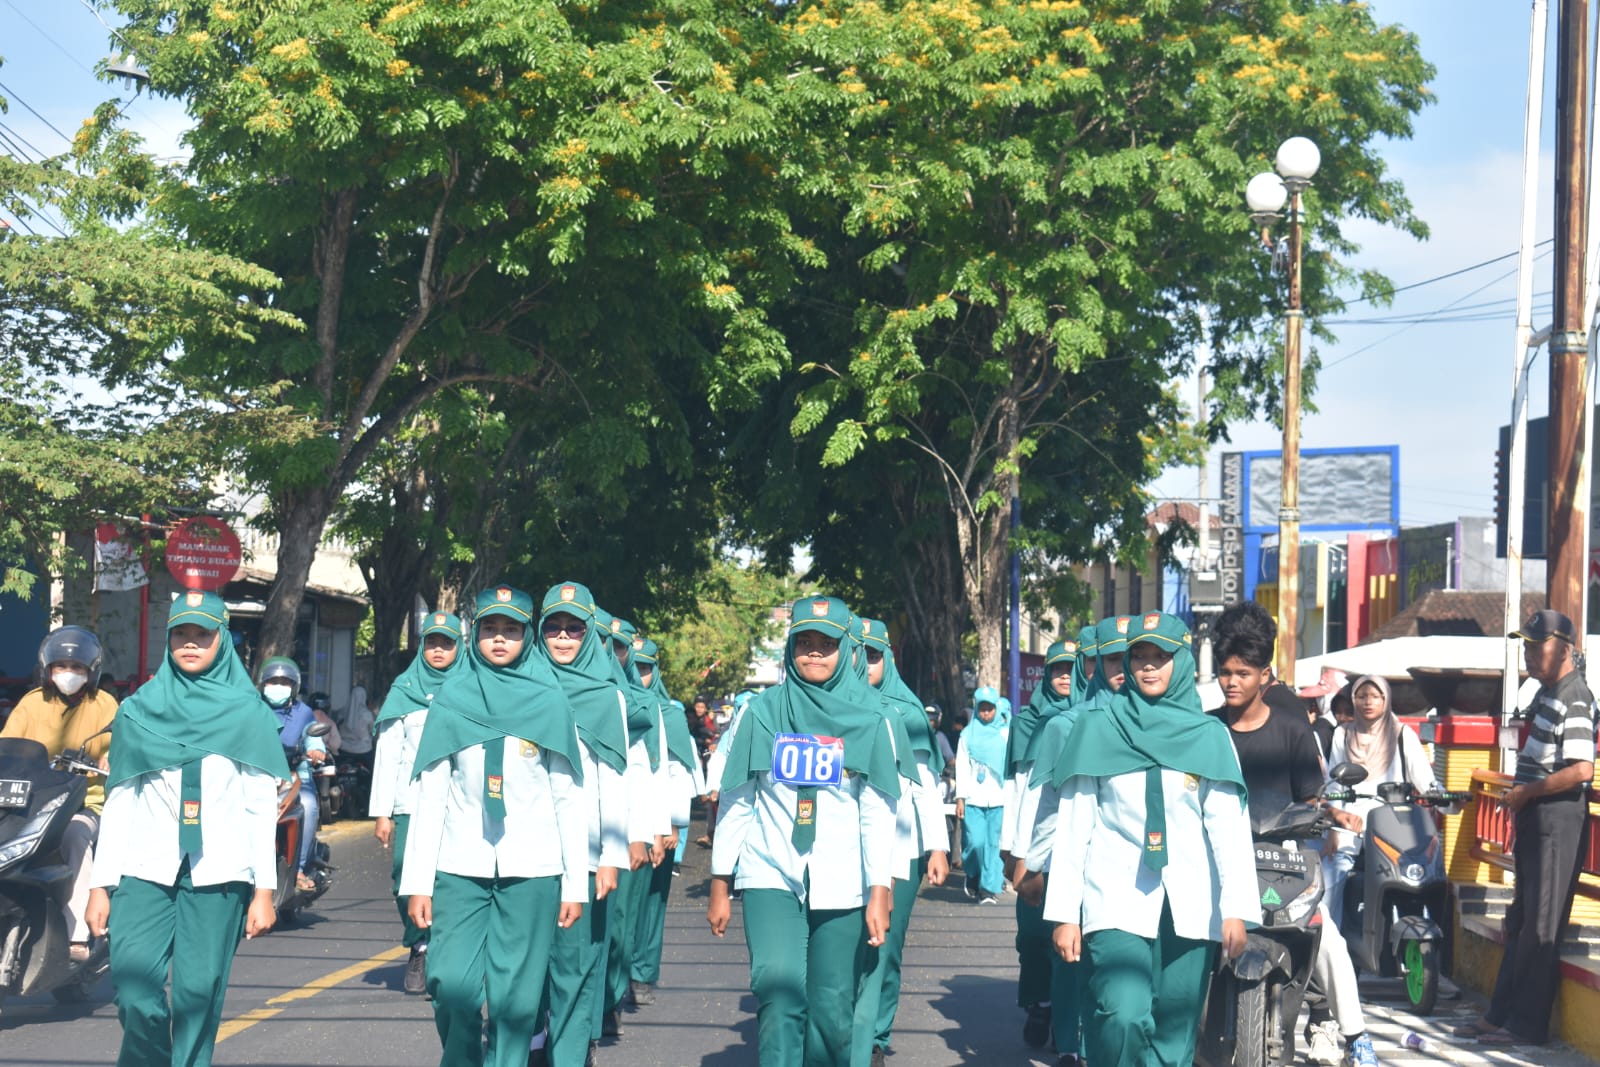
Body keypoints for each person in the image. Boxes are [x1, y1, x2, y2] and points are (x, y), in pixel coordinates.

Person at [1044, 611, 1257, 1067]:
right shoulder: (1097, 728)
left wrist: (1237, 908)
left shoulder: (1209, 736)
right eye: (1139, 655)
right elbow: (1075, 823)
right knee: (1122, 1015)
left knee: (1174, 1033)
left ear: (1180, 662)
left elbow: (1228, 828)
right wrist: (1064, 913)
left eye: (1161, 656)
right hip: (1114, 897)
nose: (1147, 665)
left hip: (1192, 904)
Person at [85, 590, 287, 1067]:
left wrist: (264, 890)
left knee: (198, 997)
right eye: (182, 634)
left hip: (220, 875)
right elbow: (120, 802)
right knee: (135, 992)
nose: (191, 644)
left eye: (203, 635)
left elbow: (261, 807)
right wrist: (100, 884)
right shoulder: (137, 710)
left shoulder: (249, 713)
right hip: (143, 871)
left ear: (223, 641)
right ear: (168, 640)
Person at [708, 595, 901, 1067]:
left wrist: (880, 887)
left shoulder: (872, 720)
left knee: (833, 1011)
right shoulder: (760, 712)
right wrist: (720, 880)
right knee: (777, 990)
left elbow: (877, 811)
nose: (814, 653)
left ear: (846, 652)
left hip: (843, 883)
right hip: (770, 873)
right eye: (804, 643)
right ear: (790, 648)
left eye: (826, 644)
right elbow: (738, 799)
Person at [400, 585, 589, 1067]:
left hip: (533, 870)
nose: (499, 639)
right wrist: (418, 882)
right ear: (474, 636)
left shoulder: (549, 701)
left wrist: (574, 885)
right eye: (489, 629)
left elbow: (568, 798)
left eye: (510, 629)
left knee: (516, 1003)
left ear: (527, 636)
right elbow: (431, 798)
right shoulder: (451, 700)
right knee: (452, 987)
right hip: (460, 866)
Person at [1209, 600, 1375, 1067]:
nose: (1233, 681)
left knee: (1330, 940)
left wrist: (1330, 816)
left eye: (1243, 672)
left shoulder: (1292, 730)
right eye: (1226, 672)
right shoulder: (1207, 731)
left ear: (1266, 675)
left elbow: (1312, 796)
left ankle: (1356, 1036)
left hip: (1280, 859)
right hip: (1217, 861)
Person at [1455, 609, 1596, 1046]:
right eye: (1528, 646)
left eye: (1538, 646)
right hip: (1538, 819)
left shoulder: (1575, 696)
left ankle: (1527, 1025)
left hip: (1557, 819)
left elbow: (1581, 770)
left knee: (1541, 927)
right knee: (1519, 920)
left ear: (1565, 650)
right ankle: (1500, 1015)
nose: (1529, 654)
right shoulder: (1549, 692)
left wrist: (1528, 793)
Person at [534, 582, 632, 1067]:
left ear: (590, 633)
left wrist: (611, 857)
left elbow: (613, 779)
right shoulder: (522, 684)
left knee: (573, 965)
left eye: (575, 628)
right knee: (528, 965)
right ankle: (532, 1045)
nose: (564, 637)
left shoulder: (606, 695)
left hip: (587, 852)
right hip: (525, 851)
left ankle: (570, 1054)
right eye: (554, 627)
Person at [855, 617, 950, 1067]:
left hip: (900, 848)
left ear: (887, 658)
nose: (864, 664)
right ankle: (843, 1026)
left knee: (885, 944)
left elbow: (925, 785)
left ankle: (874, 1034)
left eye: (872, 656)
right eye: (857, 653)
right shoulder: (831, 705)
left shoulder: (909, 713)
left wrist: (937, 846)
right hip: (845, 844)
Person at [2, 626, 118, 962]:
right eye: (61, 667)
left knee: (73, 836)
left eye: (77, 668)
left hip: (86, 803)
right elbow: (8, 746)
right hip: (33, 802)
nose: (68, 674)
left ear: (91, 672)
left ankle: (77, 935)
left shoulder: (105, 705)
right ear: (47, 670)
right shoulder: (31, 703)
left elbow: (121, 748)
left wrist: (109, 759)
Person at [1000, 633, 1085, 1061]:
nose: (1064, 677)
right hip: (1028, 843)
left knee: (1068, 946)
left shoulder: (1092, 720)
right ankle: (1039, 1003)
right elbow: (1017, 789)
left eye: (1072, 668)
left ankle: (1069, 1037)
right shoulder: (1026, 724)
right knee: (1032, 937)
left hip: (1071, 847)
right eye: (1057, 669)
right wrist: (1012, 852)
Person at [370, 611, 464, 994]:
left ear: (460, 647)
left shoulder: (472, 688)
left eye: (447, 642)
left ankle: (446, 950)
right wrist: (382, 812)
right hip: (411, 801)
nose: (438, 650)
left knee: (452, 879)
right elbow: (388, 752)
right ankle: (419, 944)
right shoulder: (404, 689)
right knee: (403, 878)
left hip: (459, 805)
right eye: (432, 642)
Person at [1322, 674, 1441, 930]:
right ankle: (1327, 946)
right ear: (1353, 700)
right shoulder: (1343, 734)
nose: (1368, 702)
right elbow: (1334, 784)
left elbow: (1425, 779)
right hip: (1350, 825)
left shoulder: (1401, 735)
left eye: (1375, 696)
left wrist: (1445, 799)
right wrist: (1333, 826)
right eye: (1362, 696)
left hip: (1394, 825)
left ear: (1386, 699)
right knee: (1330, 881)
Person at [630, 635, 706, 1006]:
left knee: (651, 901)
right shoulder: (610, 703)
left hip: (659, 822)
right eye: (633, 665)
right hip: (619, 825)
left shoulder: (669, 714)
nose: (637, 674)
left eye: (645, 668)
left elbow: (677, 771)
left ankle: (642, 972)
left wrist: (673, 823)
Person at [258, 657, 327, 892]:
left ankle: (299, 868)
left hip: (295, 775)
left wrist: (316, 750)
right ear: (263, 684)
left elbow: (313, 736)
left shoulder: (304, 712)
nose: (277, 686)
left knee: (307, 805)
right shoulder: (252, 709)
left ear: (294, 686)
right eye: (273, 681)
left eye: (284, 681)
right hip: (257, 775)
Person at [956, 685, 1008, 903]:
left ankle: (988, 889)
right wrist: (960, 798)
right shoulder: (967, 735)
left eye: (990, 708)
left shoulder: (1005, 733)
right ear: (976, 709)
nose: (986, 713)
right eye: (982, 708)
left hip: (998, 798)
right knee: (975, 843)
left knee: (992, 845)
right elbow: (961, 766)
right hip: (973, 798)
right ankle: (973, 873)